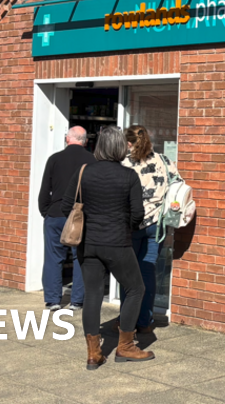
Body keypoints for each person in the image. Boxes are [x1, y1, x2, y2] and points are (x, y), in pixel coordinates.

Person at [62, 125, 154, 369]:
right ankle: (125, 347)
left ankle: (94, 354)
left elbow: (65, 208)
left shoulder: (83, 172)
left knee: (92, 294)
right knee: (136, 288)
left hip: (87, 246)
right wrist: (122, 224)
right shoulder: (128, 176)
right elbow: (137, 215)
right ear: (118, 147)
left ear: (99, 146)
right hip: (118, 244)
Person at [121, 125, 172, 333]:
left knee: (128, 274)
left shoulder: (124, 163)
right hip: (157, 226)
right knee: (148, 272)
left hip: (132, 225)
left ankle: (127, 320)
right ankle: (145, 321)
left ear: (129, 143)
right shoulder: (163, 160)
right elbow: (177, 184)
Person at [38, 126, 94, 311]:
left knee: (54, 258)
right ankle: (77, 301)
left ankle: (53, 300)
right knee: (80, 258)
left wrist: (46, 211)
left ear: (66, 139)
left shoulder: (54, 159)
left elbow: (45, 190)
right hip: (80, 215)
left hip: (55, 214)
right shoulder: (91, 160)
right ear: (85, 141)